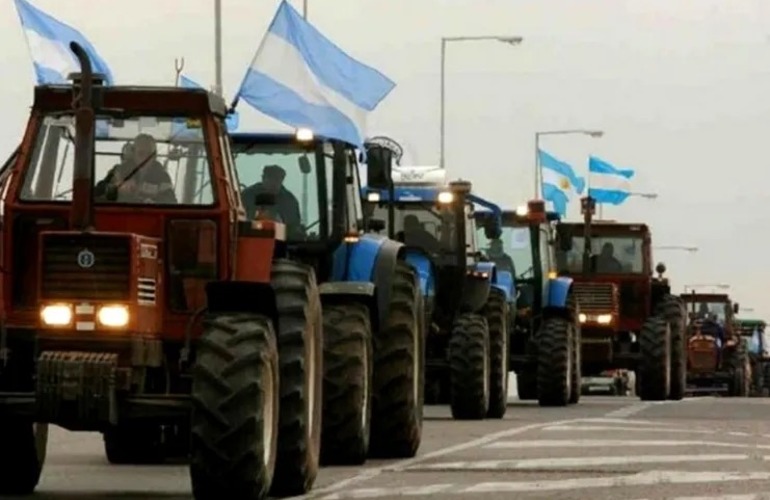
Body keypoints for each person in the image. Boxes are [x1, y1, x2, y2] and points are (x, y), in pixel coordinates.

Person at [95, 134, 177, 204]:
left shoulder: (162, 176)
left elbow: (171, 201)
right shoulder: (118, 171)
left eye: (149, 154)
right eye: (141, 153)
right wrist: (117, 187)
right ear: (133, 153)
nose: (145, 158)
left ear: (154, 156)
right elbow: (96, 193)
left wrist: (152, 201)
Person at [241, 164, 302, 237]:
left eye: (277, 180)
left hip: (280, 242)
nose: (274, 184)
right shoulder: (248, 195)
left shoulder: (289, 201)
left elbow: (293, 226)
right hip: (250, 239)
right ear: (263, 178)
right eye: (271, 179)